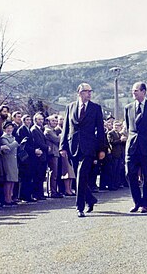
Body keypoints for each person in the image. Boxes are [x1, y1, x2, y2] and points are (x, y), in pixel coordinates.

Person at [59, 83, 106, 218]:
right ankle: (90, 199)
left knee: (81, 174)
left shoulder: (96, 108)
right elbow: (66, 128)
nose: (89, 94)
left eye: (90, 91)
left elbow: (101, 130)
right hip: (72, 146)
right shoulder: (70, 107)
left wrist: (102, 148)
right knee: (78, 177)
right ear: (79, 93)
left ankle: (79, 206)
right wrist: (63, 146)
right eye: (86, 92)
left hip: (89, 147)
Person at [124, 82, 147, 213]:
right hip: (132, 146)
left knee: (146, 175)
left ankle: (145, 204)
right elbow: (129, 128)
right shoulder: (128, 108)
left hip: (146, 146)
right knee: (130, 174)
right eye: (133, 91)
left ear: (144, 92)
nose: (133, 93)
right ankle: (136, 201)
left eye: (136, 91)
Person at [15, 114, 37, 203]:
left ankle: (28, 195)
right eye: (27, 120)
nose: (28, 121)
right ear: (23, 121)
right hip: (24, 156)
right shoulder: (22, 130)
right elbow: (24, 145)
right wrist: (34, 150)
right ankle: (24, 196)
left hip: (30, 156)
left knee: (29, 176)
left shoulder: (28, 130)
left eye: (29, 120)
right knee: (24, 177)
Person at [0, 121, 20, 206]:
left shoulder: (12, 137)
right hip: (7, 160)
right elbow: (7, 148)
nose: (9, 129)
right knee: (8, 180)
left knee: (13, 180)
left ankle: (10, 197)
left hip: (13, 160)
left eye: (11, 128)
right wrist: (15, 143)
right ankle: (7, 198)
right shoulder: (3, 138)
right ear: (4, 129)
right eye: (7, 128)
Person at [44, 115, 63, 198]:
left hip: (55, 152)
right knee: (53, 173)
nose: (55, 123)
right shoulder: (48, 131)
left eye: (55, 121)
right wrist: (61, 136)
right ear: (49, 122)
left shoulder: (53, 130)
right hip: (52, 153)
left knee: (55, 173)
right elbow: (57, 139)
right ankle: (52, 191)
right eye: (53, 121)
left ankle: (54, 190)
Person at [31, 112, 49, 200]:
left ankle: (40, 193)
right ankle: (37, 194)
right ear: (35, 120)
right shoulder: (34, 129)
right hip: (38, 155)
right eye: (39, 119)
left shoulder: (40, 129)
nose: (41, 121)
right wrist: (47, 148)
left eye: (42, 119)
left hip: (43, 155)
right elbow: (38, 142)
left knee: (42, 175)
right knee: (37, 175)